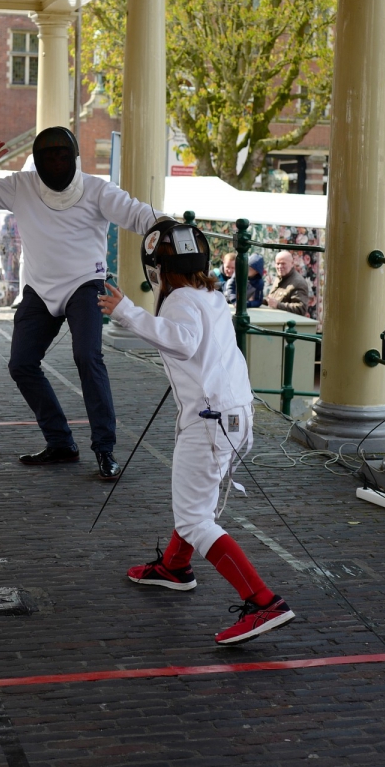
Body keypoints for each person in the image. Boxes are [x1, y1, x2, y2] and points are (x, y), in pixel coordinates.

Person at [98, 219, 294, 645]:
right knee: (196, 504)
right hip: (234, 414)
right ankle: (174, 567)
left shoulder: (181, 299)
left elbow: (184, 341)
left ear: (158, 268)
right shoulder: (211, 295)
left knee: (194, 518)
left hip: (211, 422)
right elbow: (201, 349)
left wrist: (126, 311)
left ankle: (262, 601)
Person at [0, 127, 161, 480]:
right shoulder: (22, 185)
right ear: (38, 161)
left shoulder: (97, 189)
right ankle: (60, 442)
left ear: (74, 159)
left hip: (84, 283)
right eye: (48, 157)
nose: (55, 163)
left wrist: (171, 226)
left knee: (87, 357)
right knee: (21, 364)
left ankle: (104, 449)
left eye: (61, 156)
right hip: (39, 288)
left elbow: (138, 214)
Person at [267, 249, 314, 317]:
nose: (280, 267)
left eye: (283, 263)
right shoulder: (280, 277)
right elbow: (273, 300)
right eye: (278, 263)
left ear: (292, 264)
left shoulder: (298, 283)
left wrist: (278, 305)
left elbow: (301, 309)